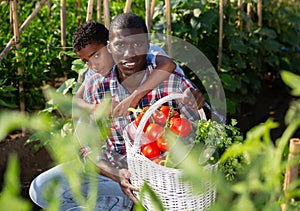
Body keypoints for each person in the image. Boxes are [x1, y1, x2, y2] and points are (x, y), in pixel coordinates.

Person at [29, 13, 205, 210]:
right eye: (120, 45)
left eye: (137, 44)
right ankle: (120, 200)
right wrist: (116, 173)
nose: (129, 53)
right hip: (114, 171)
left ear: (148, 45)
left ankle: (119, 203)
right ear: (110, 46)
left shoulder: (168, 78)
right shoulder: (95, 84)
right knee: (41, 189)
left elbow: (201, 131)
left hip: (160, 175)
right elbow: (86, 146)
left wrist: (196, 103)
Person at [72, 20, 185, 117]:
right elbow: (77, 99)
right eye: (86, 61)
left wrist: (134, 97)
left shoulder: (138, 52)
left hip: (177, 102)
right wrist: (95, 108)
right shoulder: (95, 69)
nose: (93, 65)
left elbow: (168, 65)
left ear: (110, 45)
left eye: (97, 55)